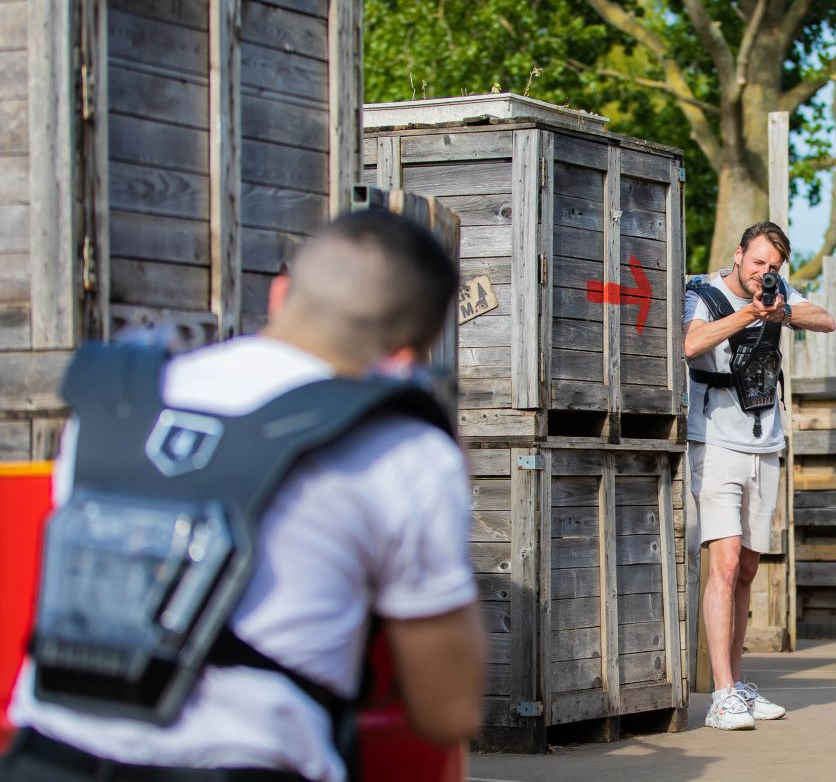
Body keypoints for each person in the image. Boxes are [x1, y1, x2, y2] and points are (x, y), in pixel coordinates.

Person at [2, 209, 486, 781]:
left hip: (43, 761)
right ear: (407, 356)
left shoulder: (117, 405)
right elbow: (445, 710)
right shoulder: (400, 450)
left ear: (280, 293)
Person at [683, 222, 836, 730]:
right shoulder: (702, 292)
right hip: (715, 442)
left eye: (773, 268)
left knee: (748, 569)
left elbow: (827, 319)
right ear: (738, 254)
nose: (763, 274)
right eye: (757, 263)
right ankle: (720, 694)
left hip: (765, 443)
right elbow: (690, 344)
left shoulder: (778, 293)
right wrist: (750, 312)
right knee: (723, 565)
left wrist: (783, 310)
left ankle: (739, 685)